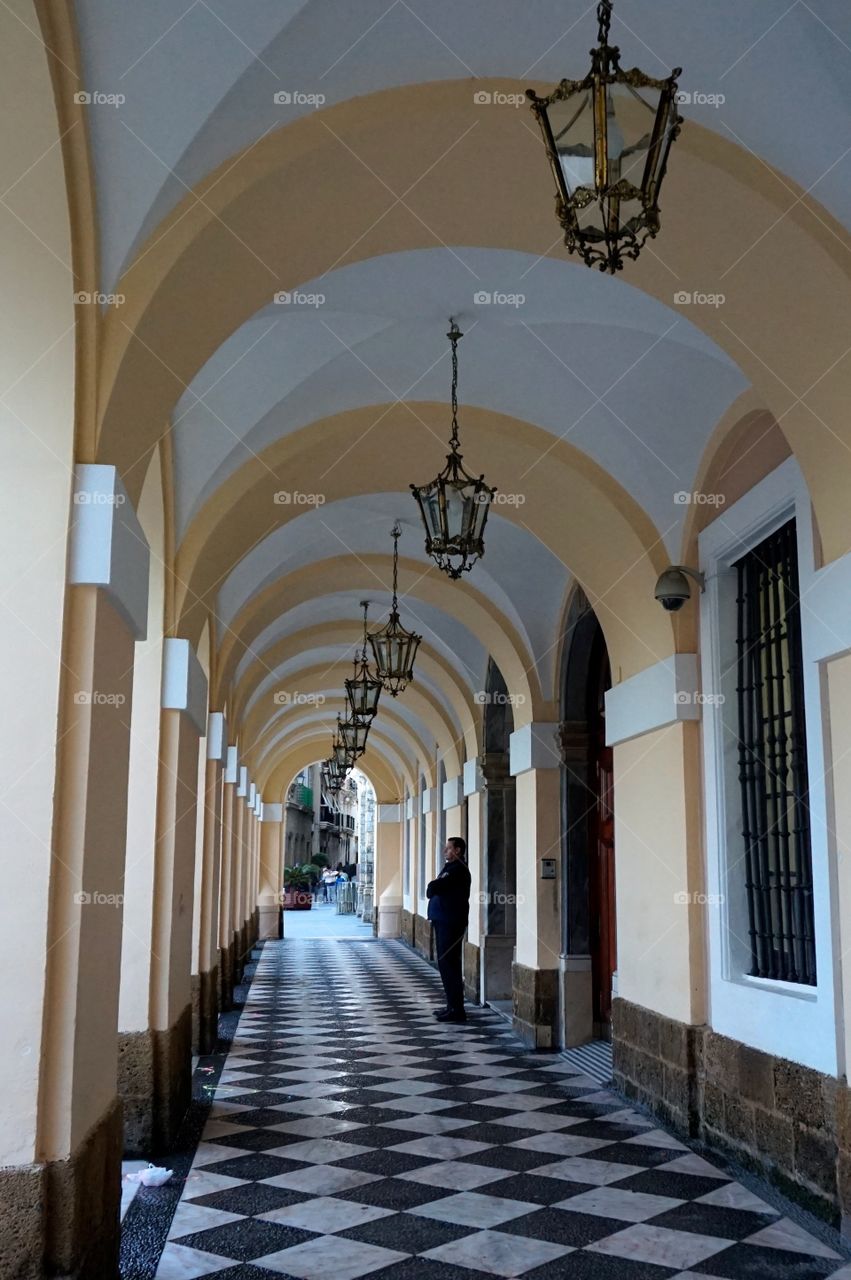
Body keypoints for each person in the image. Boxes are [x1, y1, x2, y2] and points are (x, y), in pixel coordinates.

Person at [426, 837, 471, 1023]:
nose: (445, 851)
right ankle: (452, 1006)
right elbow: (434, 888)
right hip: (444, 920)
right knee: (446, 965)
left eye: (448, 848)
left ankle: (457, 1010)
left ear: (458, 850)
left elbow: (434, 887)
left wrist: (433, 886)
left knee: (449, 965)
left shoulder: (458, 870)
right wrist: (433, 887)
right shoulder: (450, 868)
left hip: (450, 921)